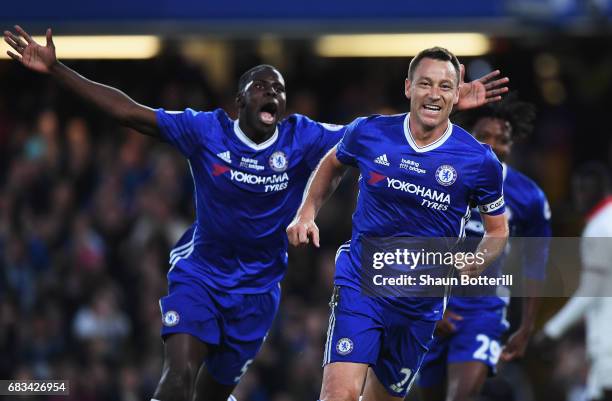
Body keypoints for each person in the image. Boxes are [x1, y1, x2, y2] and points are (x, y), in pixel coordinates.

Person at [3, 26, 508, 401]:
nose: (275, 94)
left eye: (281, 90)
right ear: (239, 98)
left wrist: (445, 106)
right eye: (264, 86)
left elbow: (381, 139)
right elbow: (129, 111)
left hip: (259, 293)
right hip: (201, 274)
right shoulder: (205, 130)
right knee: (177, 378)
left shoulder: (302, 135)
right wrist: (56, 70)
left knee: (209, 396)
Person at [287, 47, 509, 401]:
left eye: (444, 86)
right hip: (362, 284)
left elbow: (497, 231)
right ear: (408, 87)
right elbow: (334, 161)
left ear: (456, 93)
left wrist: (478, 260)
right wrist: (306, 211)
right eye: (425, 83)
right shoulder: (371, 132)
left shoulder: (480, 161)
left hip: (420, 305)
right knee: (339, 395)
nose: (433, 93)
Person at [417, 94, 552, 401]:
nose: (492, 145)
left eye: (502, 139)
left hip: (484, 311)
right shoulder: (440, 179)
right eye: (483, 136)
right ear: (468, 137)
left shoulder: (528, 196)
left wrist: (527, 326)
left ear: (512, 143)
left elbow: (536, 263)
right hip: (433, 308)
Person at [541, 162, 612, 401]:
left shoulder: (600, 226)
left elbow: (592, 290)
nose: (581, 197)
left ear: (603, 189)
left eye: (587, 189)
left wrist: (552, 331)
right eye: (578, 190)